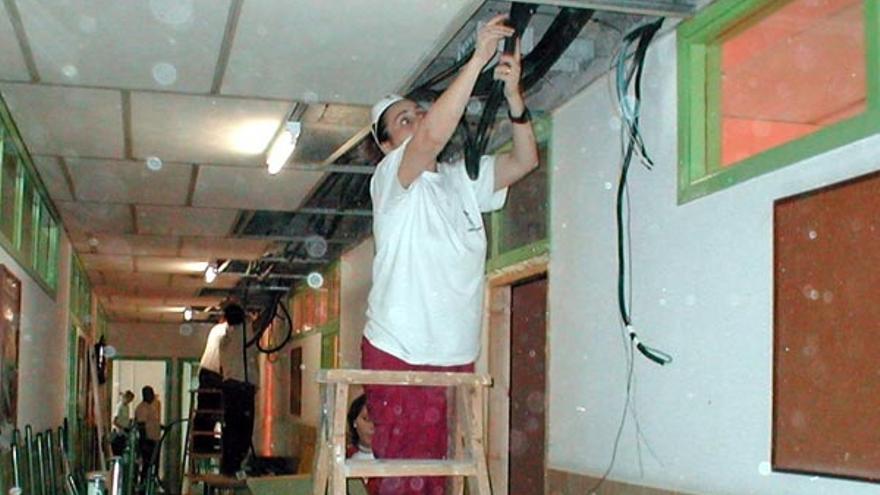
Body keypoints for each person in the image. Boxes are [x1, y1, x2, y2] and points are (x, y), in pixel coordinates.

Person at [362, 14, 539, 495]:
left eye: (418, 111)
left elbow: (525, 161)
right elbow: (431, 139)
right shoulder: (392, 181)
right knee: (401, 478)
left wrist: (514, 99)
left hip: (454, 352)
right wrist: (478, 56)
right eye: (404, 120)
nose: (417, 119)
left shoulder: (462, 181)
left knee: (438, 476)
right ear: (385, 147)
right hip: (399, 348)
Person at [217, 302, 258, 476]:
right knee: (243, 429)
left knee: (231, 428)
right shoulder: (244, 333)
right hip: (242, 387)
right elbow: (254, 334)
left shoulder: (225, 338)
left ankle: (228, 466)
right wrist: (250, 318)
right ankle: (236, 464)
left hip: (229, 387)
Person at [193, 310, 228, 454]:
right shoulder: (227, 331)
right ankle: (203, 443)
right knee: (211, 411)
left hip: (207, 372)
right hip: (213, 373)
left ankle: (202, 443)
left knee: (205, 411)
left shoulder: (216, 330)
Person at [346, 395, 378, 495]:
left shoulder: (396, 461)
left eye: (377, 421)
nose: (372, 427)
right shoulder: (344, 458)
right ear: (354, 422)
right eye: (366, 419)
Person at [134, 386, 161, 489]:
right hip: (147, 442)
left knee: (154, 465)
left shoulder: (152, 407)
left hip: (155, 440)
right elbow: (141, 426)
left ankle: (152, 484)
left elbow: (152, 422)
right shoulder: (142, 408)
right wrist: (144, 444)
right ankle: (143, 487)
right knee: (146, 466)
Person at [111, 390, 135, 454]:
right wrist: (122, 428)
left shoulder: (127, 407)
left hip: (124, 434)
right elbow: (114, 421)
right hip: (119, 433)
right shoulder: (119, 407)